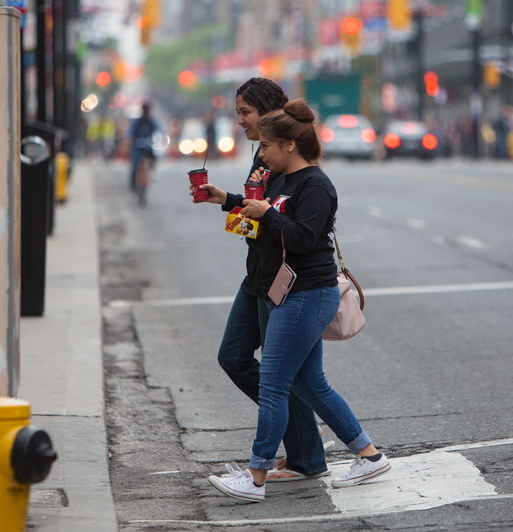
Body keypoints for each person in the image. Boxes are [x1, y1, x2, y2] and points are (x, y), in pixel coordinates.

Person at [206, 99, 390, 503]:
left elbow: (303, 239)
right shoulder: (281, 180)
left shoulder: (315, 185)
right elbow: (261, 221)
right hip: (286, 292)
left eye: (268, 146)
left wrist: (267, 214)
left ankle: (256, 475)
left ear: (290, 145)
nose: (262, 153)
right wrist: (228, 200)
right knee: (310, 385)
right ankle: (369, 455)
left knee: (273, 385)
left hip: (307, 294)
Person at [193, 79, 331, 483]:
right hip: (258, 275)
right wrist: (228, 202)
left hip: (283, 282)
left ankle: (305, 454)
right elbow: (260, 218)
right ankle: (303, 438)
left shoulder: (287, 162)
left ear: (269, 115)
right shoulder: (264, 154)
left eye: (244, 113)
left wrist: (250, 211)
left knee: (281, 374)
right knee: (235, 357)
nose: (239, 121)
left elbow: (287, 223)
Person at [129, 103, 160, 191]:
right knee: (135, 164)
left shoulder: (151, 122)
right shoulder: (137, 122)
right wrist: (131, 140)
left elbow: (158, 130)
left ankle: (153, 171)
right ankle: (133, 187)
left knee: (154, 157)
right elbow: (130, 132)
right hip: (137, 146)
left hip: (148, 145)